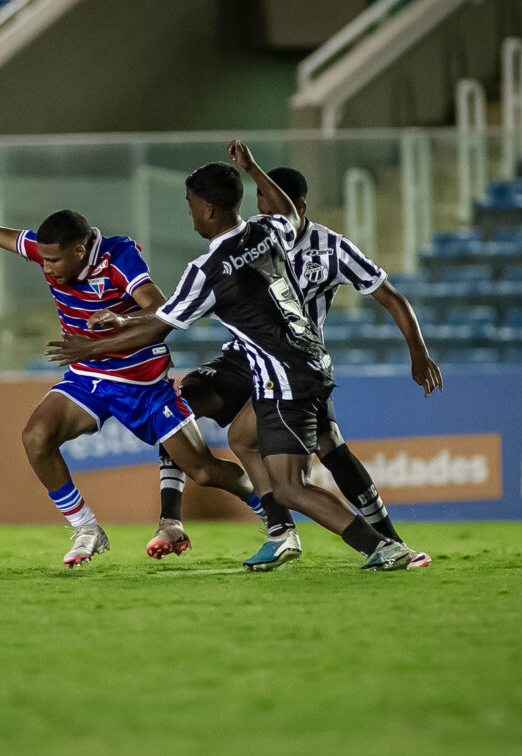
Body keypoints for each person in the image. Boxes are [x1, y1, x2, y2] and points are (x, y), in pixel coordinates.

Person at [48, 141, 417, 571]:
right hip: (312, 362)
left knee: (292, 487)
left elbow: (158, 326)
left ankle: (382, 546)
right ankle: (280, 535)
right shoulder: (267, 231)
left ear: (207, 209)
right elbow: (293, 215)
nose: (188, 213)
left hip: (282, 382)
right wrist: (254, 168)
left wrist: (89, 347)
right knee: (242, 437)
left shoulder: (208, 270)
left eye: (189, 204)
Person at [0, 209, 264, 568]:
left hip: (143, 382)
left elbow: (161, 307)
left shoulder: (119, 256)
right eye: (44, 258)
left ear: (79, 252)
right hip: (88, 377)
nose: (47, 267)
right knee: (36, 438)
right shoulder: (46, 251)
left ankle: (273, 514)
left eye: (54, 260)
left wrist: (120, 318)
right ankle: (86, 528)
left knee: (203, 471)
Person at [157, 166, 442, 571]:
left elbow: (390, 296)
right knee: (203, 415)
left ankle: (387, 543)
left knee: (326, 452)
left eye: (269, 200)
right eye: (257, 200)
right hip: (246, 358)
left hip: (293, 365)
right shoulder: (257, 234)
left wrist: (418, 351)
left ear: (297, 206)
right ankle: (278, 533)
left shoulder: (329, 248)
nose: (262, 208)